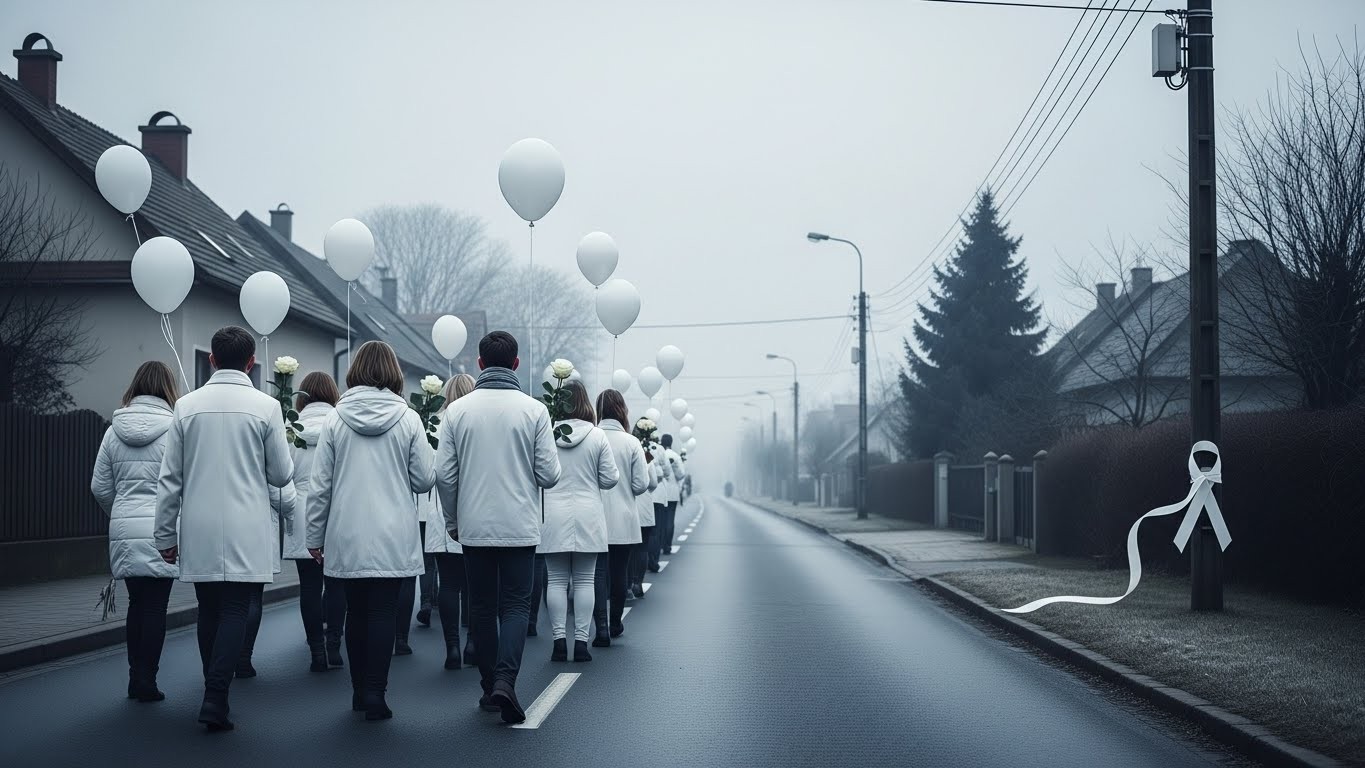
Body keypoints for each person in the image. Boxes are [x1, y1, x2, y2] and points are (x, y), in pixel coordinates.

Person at [154, 326, 294, 732]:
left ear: (212, 359)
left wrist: (164, 535)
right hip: (246, 523)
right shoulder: (267, 406)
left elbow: (170, 479)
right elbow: (282, 474)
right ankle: (216, 695)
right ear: (251, 363)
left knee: (209, 610)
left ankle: (212, 689)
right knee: (235, 608)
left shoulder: (185, 407)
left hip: (197, 522)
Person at [435, 331, 561, 724]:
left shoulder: (456, 412)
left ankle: (490, 686)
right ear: (517, 364)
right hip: (520, 525)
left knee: (482, 607)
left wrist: (454, 520)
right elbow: (549, 474)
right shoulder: (535, 411)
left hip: (474, 526)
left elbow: (444, 475)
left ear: (479, 364)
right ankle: (506, 679)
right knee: (516, 606)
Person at [306, 341, 435, 721]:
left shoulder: (334, 419)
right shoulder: (409, 419)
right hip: (393, 530)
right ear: (394, 372)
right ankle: (376, 692)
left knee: (354, 613)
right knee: (382, 612)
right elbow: (425, 479)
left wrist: (314, 536)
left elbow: (320, 485)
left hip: (346, 529)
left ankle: (359, 692)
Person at [91, 361, 180, 703]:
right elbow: (181, 481)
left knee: (136, 603)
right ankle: (148, 679)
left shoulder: (114, 430)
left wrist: (121, 514)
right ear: (168, 389)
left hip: (126, 526)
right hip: (163, 528)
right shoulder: (176, 429)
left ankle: (134, 677)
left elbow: (100, 486)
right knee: (157, 605)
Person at [540, 381, 618, 663]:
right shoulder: (597, 436)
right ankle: (582, 643)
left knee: (557, 581)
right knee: (585, 580)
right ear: (585, 402)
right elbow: (610, 478)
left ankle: (559, 642)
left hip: (553, 513)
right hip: (588, 514)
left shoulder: (548, 432)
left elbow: (538, 472)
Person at [279, 372, 345, 672]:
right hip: (336, 509)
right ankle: (334, 645)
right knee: (336, 584)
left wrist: (289, 508)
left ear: (302, 398)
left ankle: (316, 650)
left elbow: (281, 476)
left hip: (302, 508)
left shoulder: (290, 429)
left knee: (308, 585)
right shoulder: (342, 424)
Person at [419, 373, 476, 670]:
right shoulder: (475, 419)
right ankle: (472, 643)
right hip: (472, 509)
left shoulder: (433, 424)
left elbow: (429, 472)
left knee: (449, 584)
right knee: (473, 585)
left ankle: (451, 647)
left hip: (439, 509)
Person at [592, 389, 649, 644]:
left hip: (594, 517)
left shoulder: (591, 437)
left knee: (595, 575)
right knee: (618, 573)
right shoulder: (632, 442)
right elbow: (640, 485)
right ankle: (615, 623)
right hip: (623, 518)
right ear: (622, 410)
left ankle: (600, 626)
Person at [630, 439, 660, 598]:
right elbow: (654, 483)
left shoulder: (628, 452)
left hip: (628, 507)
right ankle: (637, 583)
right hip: (645, 508)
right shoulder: (647, 458)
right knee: (642, 548)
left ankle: (627, 585)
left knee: (628, 550)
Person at [647, 437, 674, 571]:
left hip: (643, 495)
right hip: (657, 495)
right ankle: (653, 561)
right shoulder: (660, 449)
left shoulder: (638, 444)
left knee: (643, 532)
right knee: (655, 531)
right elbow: (668, 471)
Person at [659, 434, 686, 557]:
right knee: (670, 520)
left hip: (659, 491)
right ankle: (667, 546)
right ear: (671, 442)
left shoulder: (657, 453)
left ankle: (658, 545)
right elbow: (680, 475)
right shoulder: (675, 456)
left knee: (660, 521)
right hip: (672, 492)